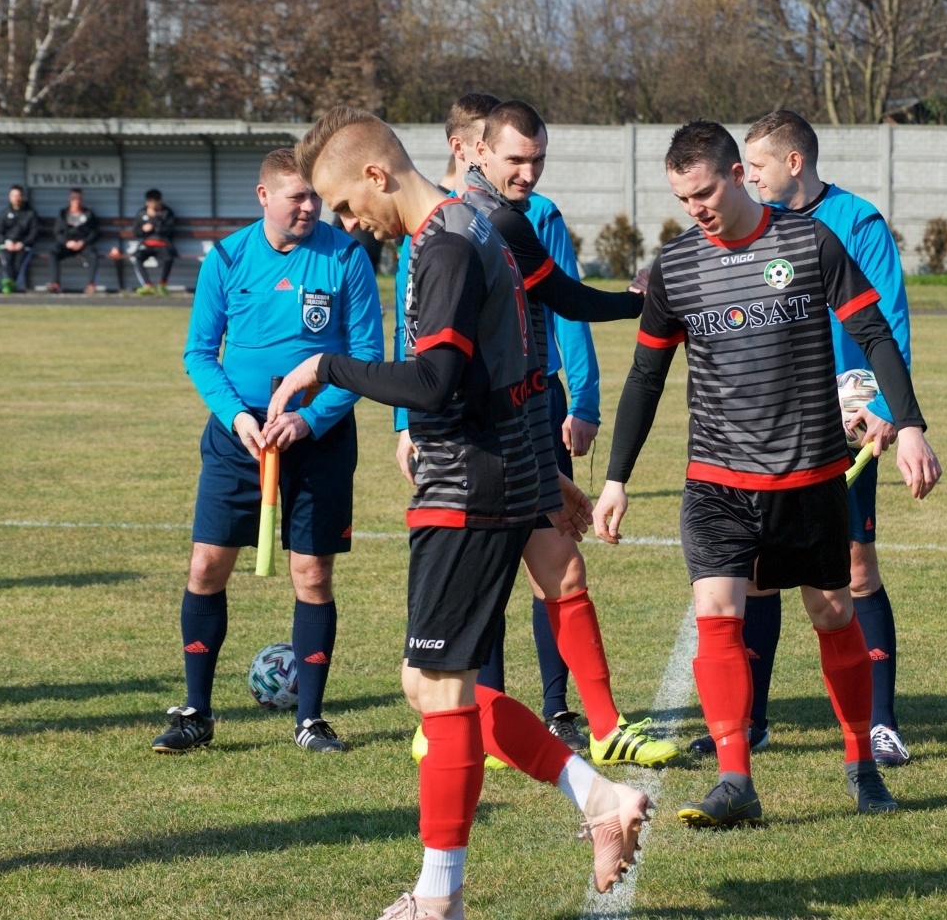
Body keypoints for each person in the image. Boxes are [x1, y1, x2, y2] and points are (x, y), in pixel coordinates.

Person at [269, 106, 651, 920]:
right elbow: (512, 370)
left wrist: (328, 367)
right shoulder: (472, 225)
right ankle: (594, 795)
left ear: (375, 176)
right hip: (494, 482)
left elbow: (439, 383)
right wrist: (546, 482)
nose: (347, 223)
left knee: (440, 691)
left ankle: (440, 897)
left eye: (343, 206)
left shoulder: (442, 243)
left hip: (463, 494)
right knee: (432, 683)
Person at [593, 121, 942, 828]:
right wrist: (617, 478)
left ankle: (860, 759)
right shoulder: (676, 267)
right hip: (718, 481)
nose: (695, 207)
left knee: (831, 612)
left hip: (808, 475)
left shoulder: (810, 242)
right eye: (681, 197)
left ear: (736, 174)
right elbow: (645, 376)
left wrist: (908, 424)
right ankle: (735, 778)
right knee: (717, 613)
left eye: (704, 191)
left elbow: (873, 333)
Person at [398, 95, 676, 767]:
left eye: (538, 158)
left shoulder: (506, 217)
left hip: (520, 426)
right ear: (477, 151)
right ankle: (445, 718)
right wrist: (641, 303)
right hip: (474, 440)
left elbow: (555, 297)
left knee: (563, 570)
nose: (528, 171)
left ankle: (603, 726)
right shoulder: (468, 220)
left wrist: (634, 305)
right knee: (486, 592)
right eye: (516, 158)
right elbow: (431, 336)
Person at [154, 149, 383, 756]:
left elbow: (364, 361)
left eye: (313, 197)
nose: (309, 207)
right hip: (239, 439)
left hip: (318, 437)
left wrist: (308, 420)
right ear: (263, 197)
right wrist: (236, 417)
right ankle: (196, 712)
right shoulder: (227, 257)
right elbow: (200, 353)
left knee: (311, 573)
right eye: (295, 197)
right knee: (206, 567)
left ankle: (310, 720)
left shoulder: (347, 257)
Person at [735, 109, 914, 768]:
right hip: (767, 430)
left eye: (755, 167)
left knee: (854, 567)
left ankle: (882, 724)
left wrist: (879, 407)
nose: (746, 178)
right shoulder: (753, 225)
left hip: (844, 428)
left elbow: (885, 323)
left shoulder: (857, 222)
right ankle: (750, 722)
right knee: (756, 574)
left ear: (793, 163)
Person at [49, 189, 102, 294]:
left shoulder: (89, 214)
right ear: (69, 199)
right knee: (53, 252)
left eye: (78, 198)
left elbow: (95, 232)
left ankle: (91, 285)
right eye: (73, 198)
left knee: (93, 255)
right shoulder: (63, 214)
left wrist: (83, 242)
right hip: (67, 245)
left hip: (83, 245)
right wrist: (66, 242)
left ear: (82, 199)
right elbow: (57, 232)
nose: (76, 201)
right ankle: (56, 284)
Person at [128, 189, 178, 295]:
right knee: (137, 257)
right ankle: (148, 285)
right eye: (149, 201)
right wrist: (143, 229)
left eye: (153, 202)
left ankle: (162, 284)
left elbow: (170, 230)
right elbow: (136, 232)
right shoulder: (141, 213)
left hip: (163, 243)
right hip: (147, 244)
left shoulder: (167, 213)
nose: (150, 204)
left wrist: (155, 220)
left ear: (159, 201)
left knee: (169, 258)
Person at [0, 185, 40, 294]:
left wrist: (23, 243)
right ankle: (8, 282)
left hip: (24, 245)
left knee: (19, 261)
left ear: (22, 197)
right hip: (8, 245)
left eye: (18, 195)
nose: (16, 198)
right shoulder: (5, 213)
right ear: (9, 197)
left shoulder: (30, 213)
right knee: (7, 259)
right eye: (13, 195)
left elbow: (34, 232)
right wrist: (6, 242)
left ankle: (13, 283)